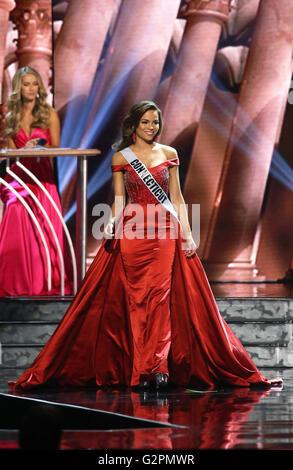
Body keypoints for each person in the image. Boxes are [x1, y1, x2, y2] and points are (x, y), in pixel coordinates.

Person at [9, 100, 281, 390]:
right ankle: (142, 367)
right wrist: (112, 222)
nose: (152, 127)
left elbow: (176, 198)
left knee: (160, 299)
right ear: (134, 126)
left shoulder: (169, 153)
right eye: (146, 122)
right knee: (137, 301)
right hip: (133, 230)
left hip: (164, 229)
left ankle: (157, 369)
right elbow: (118, 200)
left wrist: (187, 233)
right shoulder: (122, 157)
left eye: (155, 122)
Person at [0, 66, 72, 296]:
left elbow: (56, 147)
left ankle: (42, 283)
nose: (31, 89)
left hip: (42, 177)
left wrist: (37, 146)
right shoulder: (11, 116)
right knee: (15, 211)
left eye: (34, 84)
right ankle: (16, 283)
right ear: (18, 87)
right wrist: (22, 150)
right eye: (26, 84)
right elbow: (11, 153)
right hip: (19, 176)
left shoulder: (49, 114)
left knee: (44, 224)